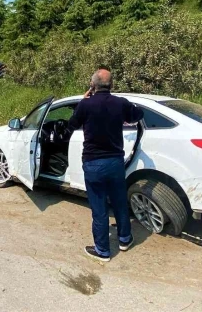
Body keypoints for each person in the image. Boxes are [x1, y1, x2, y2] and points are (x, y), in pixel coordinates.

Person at [67, 68, 144, 262]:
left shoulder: (86, 105)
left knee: (99, 208)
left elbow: (72, 125)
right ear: (112, 85)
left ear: (92, 86)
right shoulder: (121, 104)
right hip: (115, 162)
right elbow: (137, 115)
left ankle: (102, 250)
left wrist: (83, 102)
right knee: (119, 201)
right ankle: (125, 240)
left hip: (93, 163)